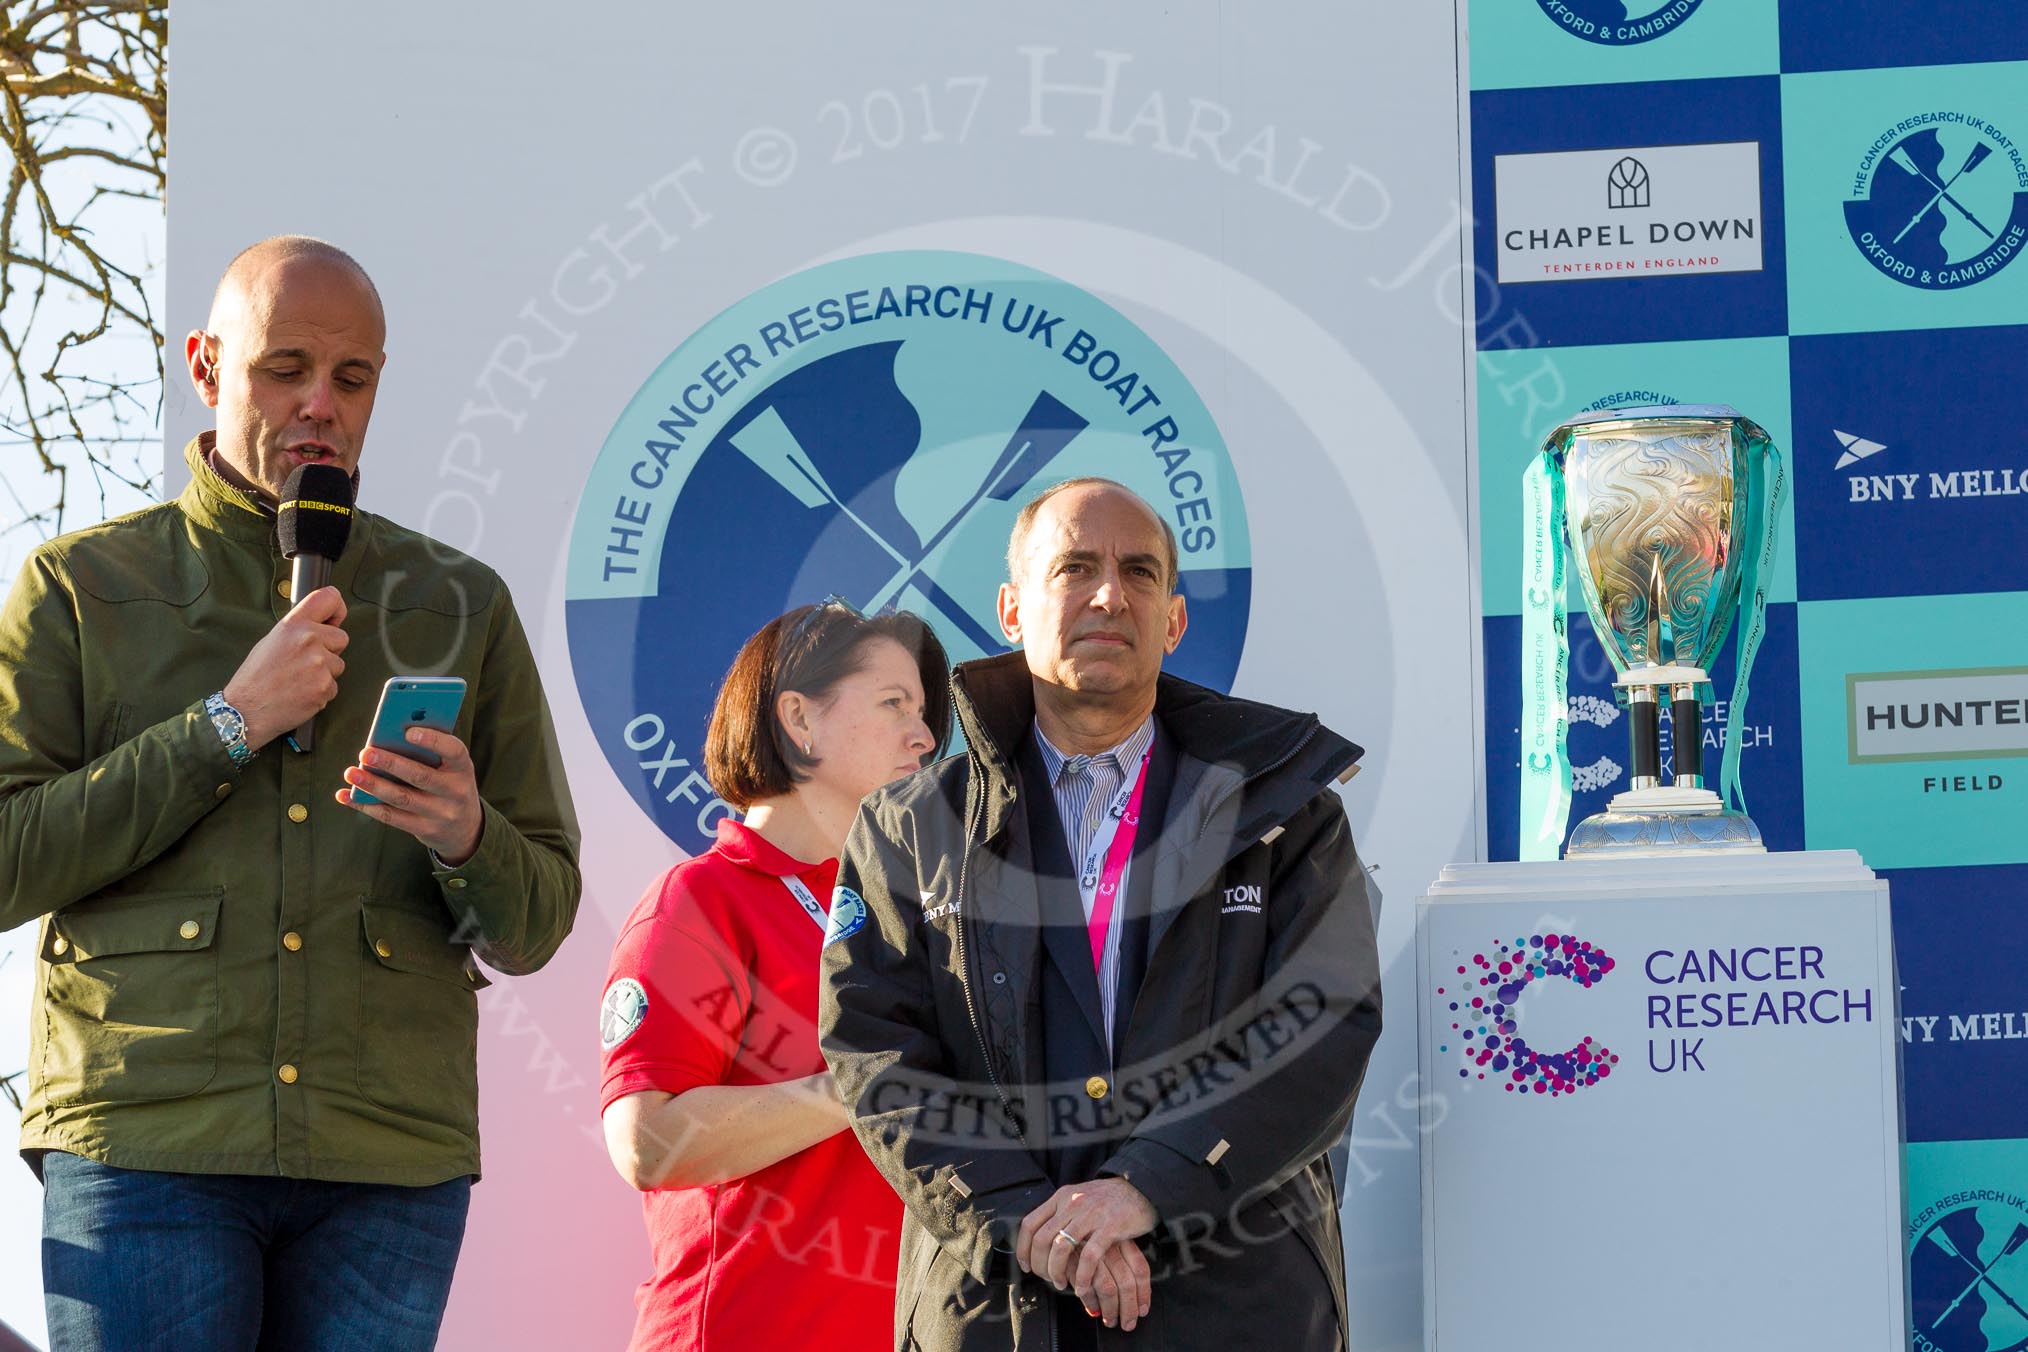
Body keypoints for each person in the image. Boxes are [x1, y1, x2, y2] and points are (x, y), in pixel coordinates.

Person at [0, 236, 582, 1350]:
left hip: (386, 1154)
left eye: (352, 378)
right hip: (148, 1137)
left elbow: (540, 917)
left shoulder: (462, 601)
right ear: (206, 364)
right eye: (285, 368)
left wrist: (470, 837)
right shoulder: (80, 586)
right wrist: (227, 724)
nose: (322, 402)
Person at [818, 479, 1383, 1350]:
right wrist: (1023, 1225)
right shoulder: (906, 828)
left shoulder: (1286, 809)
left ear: (1174, 621)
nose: (1109, 594)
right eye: (1074, 567)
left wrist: (1149, 1186)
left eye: (1140, 572)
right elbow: (880, 1054)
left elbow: (1322, 1023)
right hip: (996, 1308)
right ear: (1012, 608)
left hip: (1240, 1305)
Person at [598, 599, 951, 1352]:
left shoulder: (907, 917)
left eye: (922, 714)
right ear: (800, 719)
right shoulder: (700, 901)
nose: (923, 737)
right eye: (894, 704)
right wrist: (859, 1086)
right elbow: (647, 1141)